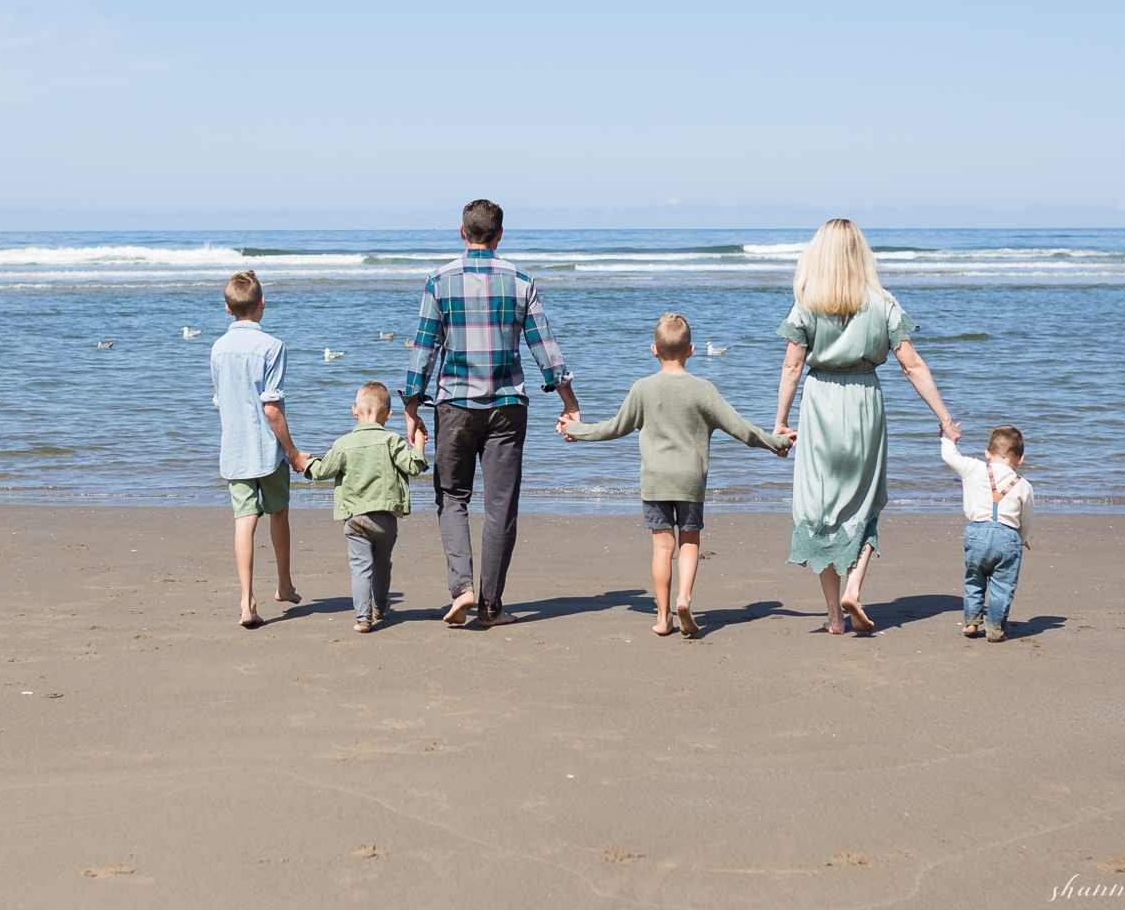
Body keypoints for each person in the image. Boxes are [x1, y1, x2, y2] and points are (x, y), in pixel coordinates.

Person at [773, 220, 960, 635]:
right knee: (865, 501)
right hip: (864, 404)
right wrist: (945, 419)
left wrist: (781, 422)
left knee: (821, 506)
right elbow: (913, 367)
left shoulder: (806, 303)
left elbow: (792, 366)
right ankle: (853, 587)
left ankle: (835, 618)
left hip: (820, 403)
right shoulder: (883, 302)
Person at [403, 199, 580, 628]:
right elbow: (545, 349)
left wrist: (411, 405)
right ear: (499, 235)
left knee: (452, 497)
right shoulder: (520, 280)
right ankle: (490, 606)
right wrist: (569, 403)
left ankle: (462, 587)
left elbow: (424, 349)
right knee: (500, 506)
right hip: (506, 405)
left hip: (455, 406)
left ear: (462, 233)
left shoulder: (439, 281)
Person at [558, 313, 790, 638]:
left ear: (653, 350)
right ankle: (685, 598)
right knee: (689, 542)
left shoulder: (642, 389)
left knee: (662, 548)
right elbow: (741, 429)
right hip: (690, 482)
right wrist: (776, 442)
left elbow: (614, 428)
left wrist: (576, 430)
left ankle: (663, 616)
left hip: (655, 481)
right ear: (691, 350)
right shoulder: (703, 389)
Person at [211, 270, 311, 628]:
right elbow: (271, 408)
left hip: (234, 449)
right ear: (262, 304)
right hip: (267, 451)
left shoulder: (218, 347)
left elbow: (221, 401)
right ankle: (283, 583)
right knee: (279, 513)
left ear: (227, 309)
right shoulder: (272, 346)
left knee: (244, 520)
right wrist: (294, 453)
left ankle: (246, 599)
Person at [303, 381, 430, 632]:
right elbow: (414, 467)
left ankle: (363, 618)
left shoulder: (343, 444)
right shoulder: (392, 441)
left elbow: (321, 471)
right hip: (385, 518)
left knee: (360, 567)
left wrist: (305, 463)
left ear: (354, 411)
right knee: (382, 563)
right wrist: (419, 443)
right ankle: (380, 607)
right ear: (388, 414)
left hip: (354, 517)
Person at [943, 425, 1033, 642]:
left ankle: (972, 622)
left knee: (974, 580)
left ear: (987, 453)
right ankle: (995, 628)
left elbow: (949, 456)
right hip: (1008, 538)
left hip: (977, 534)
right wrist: (1022, 538)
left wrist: (948, 438)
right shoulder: (1023, 485)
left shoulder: (973, 468)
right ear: (1020, 459)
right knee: (1002, 587)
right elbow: (1027, 518)